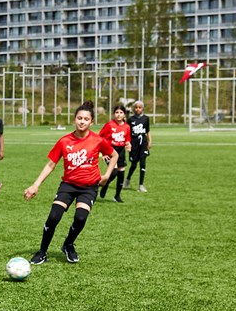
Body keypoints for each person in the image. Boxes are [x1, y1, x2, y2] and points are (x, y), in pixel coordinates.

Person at [23, 101, 117, 265]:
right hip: (68, 185)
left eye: (86, 119)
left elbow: (114, 155)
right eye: (79, 118)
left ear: (91, 122)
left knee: (80, 218)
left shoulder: (97, 140)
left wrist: (107, 175)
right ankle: (42, 252)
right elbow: (51, 164)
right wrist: (35, 185)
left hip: (89, 187)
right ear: (74, 119)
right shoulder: (64, 141)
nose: (82, 121)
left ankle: (68, 244)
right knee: (53, 217)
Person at [98, 104, 131, 203]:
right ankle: (105, 184)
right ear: (113, 114)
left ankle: (117, 196)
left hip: (121, 152)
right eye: (117, 112)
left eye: (121, 112)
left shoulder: (127, 127)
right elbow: (100, 137)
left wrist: (128, 145)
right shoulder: (109, 125)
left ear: (124, 115)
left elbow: (127, 139)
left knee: (121, 173)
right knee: (114, 172)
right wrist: (103, 153)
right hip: (110, 151)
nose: (118, 115)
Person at [124, 100, 152, 192]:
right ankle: (127, 180)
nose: (138, 109)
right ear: (134, 109)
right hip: (134, 144)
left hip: (143, 143)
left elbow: (147, 131)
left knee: (143, 163)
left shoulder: (146, 119)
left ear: (142, 108)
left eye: (140, 107)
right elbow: (127, 133)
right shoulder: (130, 120)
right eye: (136, 107)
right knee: (134, 164)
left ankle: (141, 185)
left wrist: (149, 141)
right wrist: (128, 144)